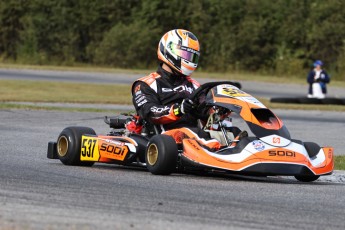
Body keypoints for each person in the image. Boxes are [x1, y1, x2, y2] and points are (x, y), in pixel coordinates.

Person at [131, 29, 220, 149]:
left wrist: (217, 111)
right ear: (170, 51)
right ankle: (219, 152)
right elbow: (150, 112)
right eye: (186, 55)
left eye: (193, 57)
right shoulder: (146, 84)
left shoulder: (194, 86)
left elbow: (205, 113)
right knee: (194, 133)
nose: (189, 60)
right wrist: (179, 109)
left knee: (232, 132)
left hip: (194, 137)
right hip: (166, 139)